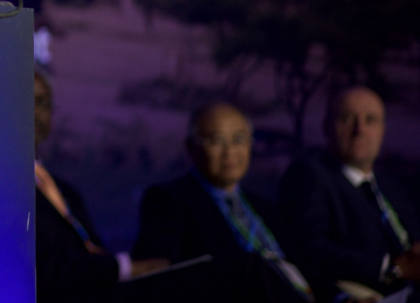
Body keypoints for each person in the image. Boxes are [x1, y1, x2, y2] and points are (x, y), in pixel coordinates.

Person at [132, 102, 311, 302]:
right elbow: (161, 268)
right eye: (217, 140)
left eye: (239, 139)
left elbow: (302, 264)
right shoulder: (169, 198)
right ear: (191, 147)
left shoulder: (266, 207)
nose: (230, 151)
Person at [33, 71, 168, 303]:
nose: (34, 111)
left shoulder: (66, 191)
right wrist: (124, 268)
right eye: (22, 98)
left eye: (42, 102)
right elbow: (37, 271)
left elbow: (93, 251)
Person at [279, 86, 420, 301]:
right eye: (347, 119)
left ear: (382, 129)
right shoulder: (309, 176)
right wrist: (392, 268)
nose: (359, 130)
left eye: (370, 120)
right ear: (327, 127)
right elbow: (309, 249)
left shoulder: (392, 187)